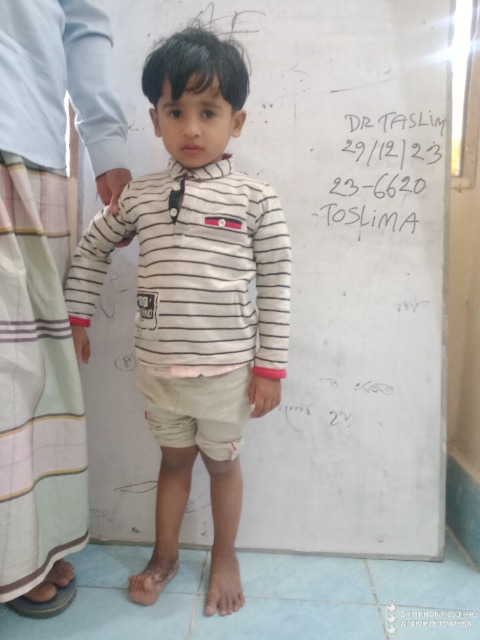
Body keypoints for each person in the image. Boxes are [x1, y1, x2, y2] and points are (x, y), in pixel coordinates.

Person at [64, 26, 291, 617]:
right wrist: (78, 315)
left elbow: (277, 284)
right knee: (171, 463)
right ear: (155, 119)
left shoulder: (256, 200)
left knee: (223, 466)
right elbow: (92, 247)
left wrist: (270, 368)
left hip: (227, 376)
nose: (191, 128)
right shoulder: (140, 197)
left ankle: (224, 556)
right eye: (176, 111)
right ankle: (163, 558)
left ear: (236, 121)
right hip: (160, 374)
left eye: (208, 112)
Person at [0, 0, 131, 618]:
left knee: (27, 376)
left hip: (21, 137)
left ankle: (21, 544)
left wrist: (106, 141)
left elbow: (84, 23)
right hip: (24, 137)